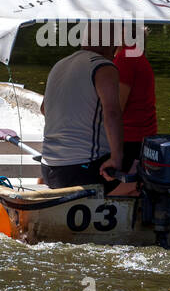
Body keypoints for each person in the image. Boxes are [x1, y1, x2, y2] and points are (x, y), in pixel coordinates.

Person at [39, 38, 125, 189]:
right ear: (111, 44)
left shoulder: (60, 64)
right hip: (81, 172)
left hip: (48, 168)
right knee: (140, 172)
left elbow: (44, 109)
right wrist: (117, 158)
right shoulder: (104, 67)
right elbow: (112, 113)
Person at [114, 28, 157, 177]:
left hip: (129, 142)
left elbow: (116, 108)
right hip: (143, 139)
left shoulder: (126, 58)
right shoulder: (137, 56)